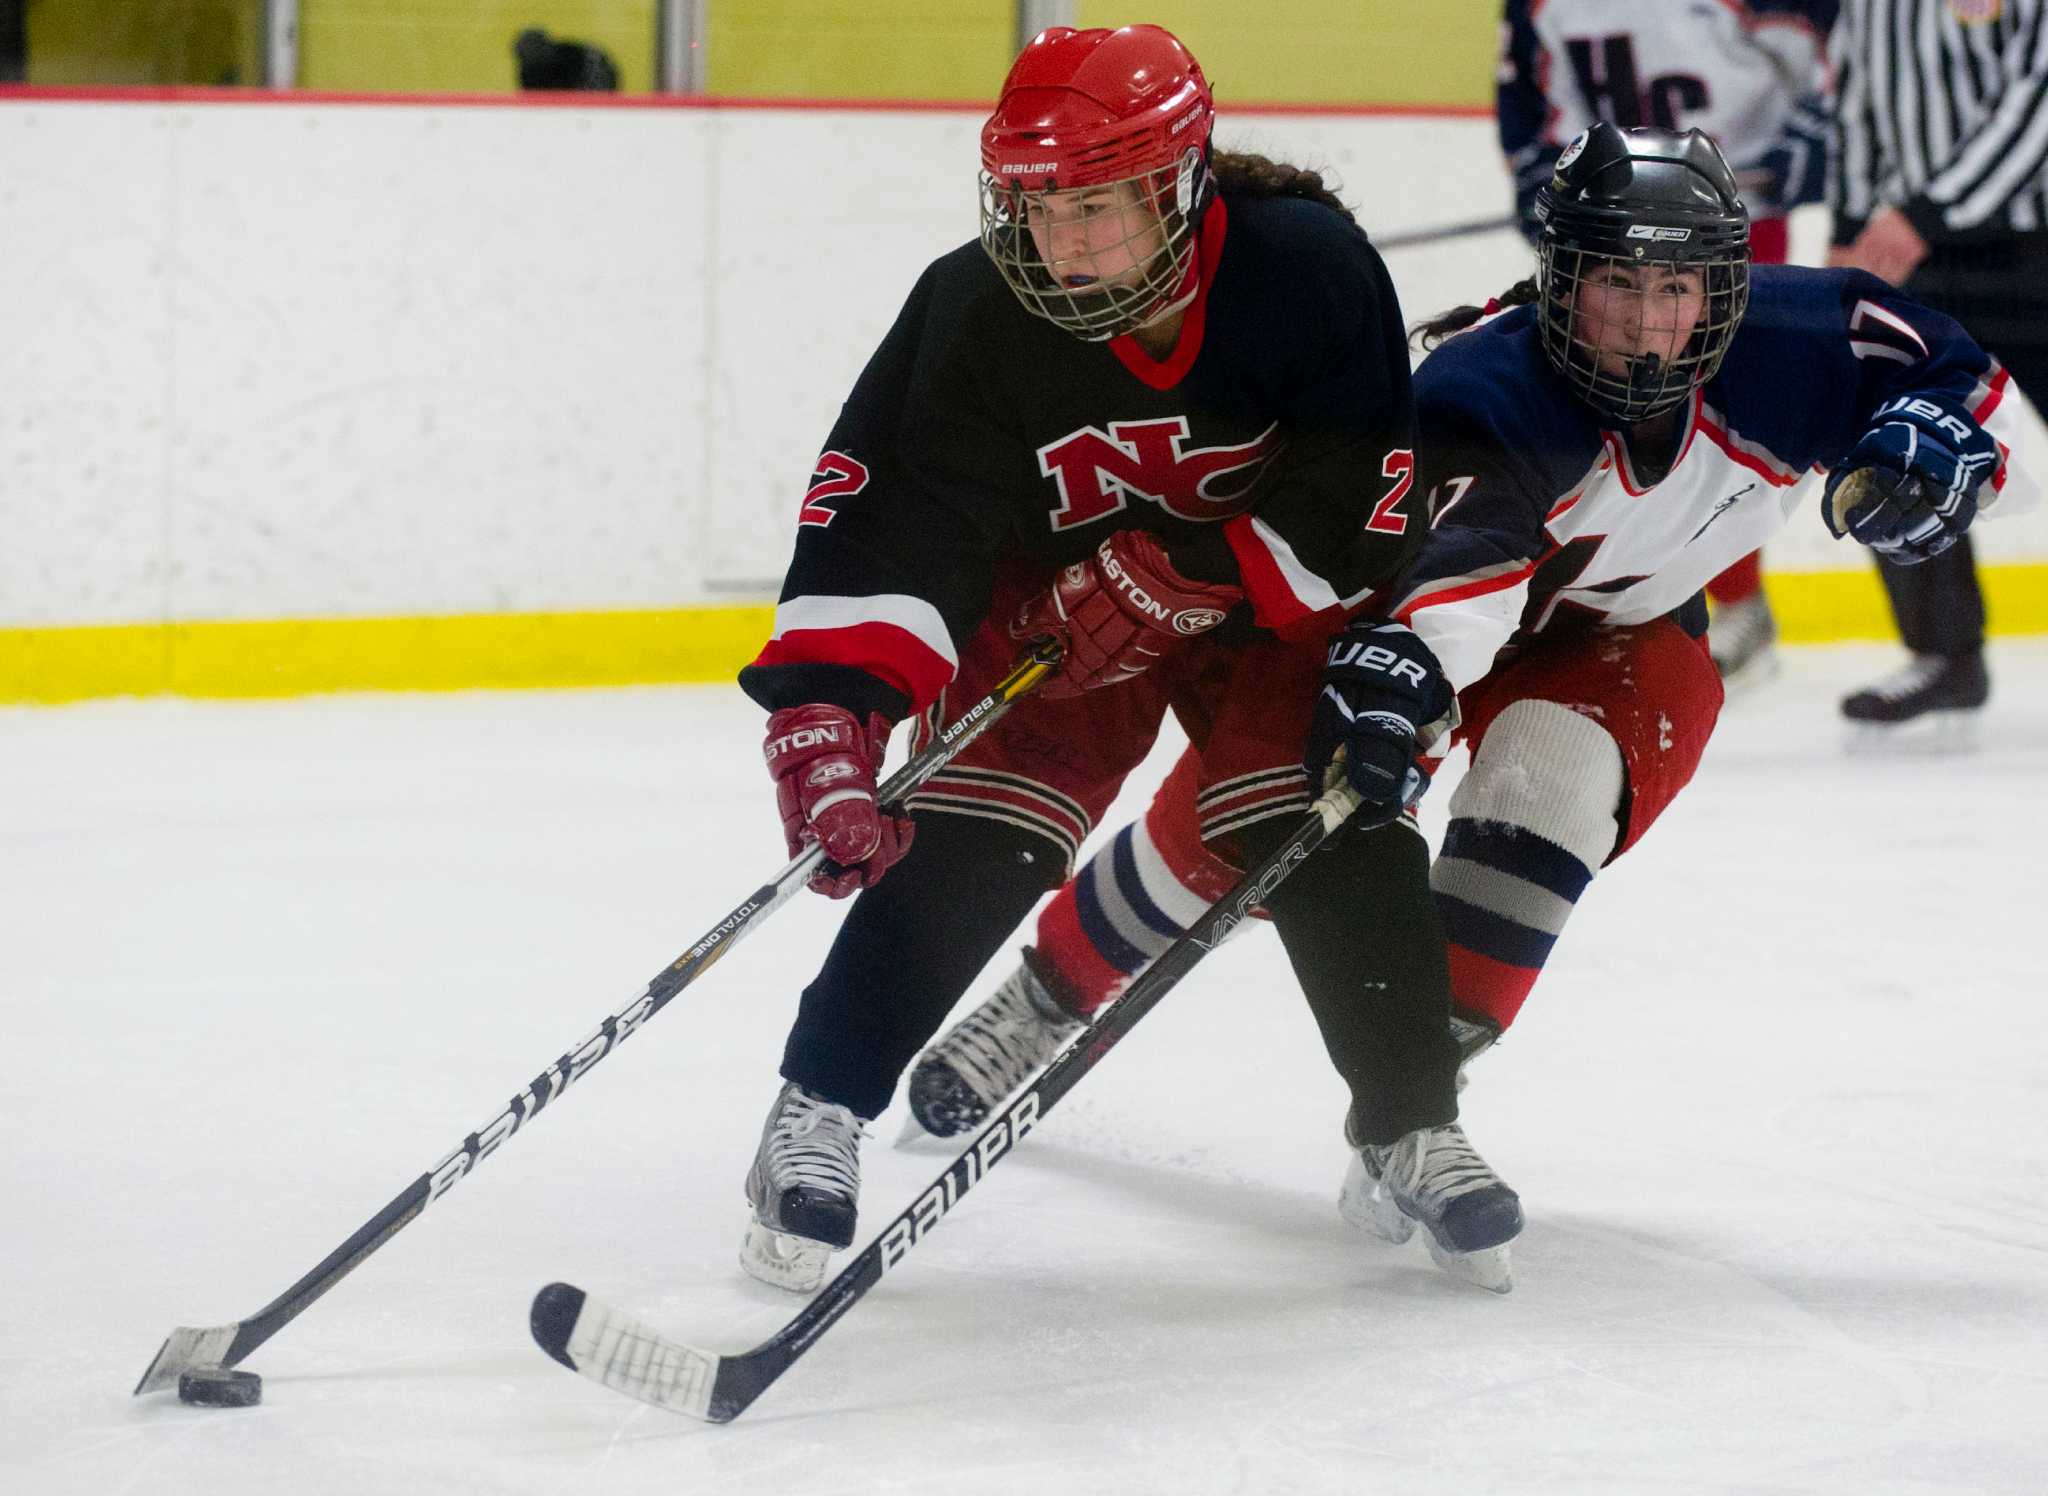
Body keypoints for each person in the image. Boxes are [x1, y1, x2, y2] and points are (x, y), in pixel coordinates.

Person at [908, 122, 2035, 1290]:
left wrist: (1958, 453)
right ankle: (1044, 993)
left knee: (1551, 782)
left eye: (1673, 288)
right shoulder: (1482, 388)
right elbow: (1451, 590)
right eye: (1611, 283)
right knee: (1263, 819)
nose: (1647, 325)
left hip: (1621, 634)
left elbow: (1983, 400)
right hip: (1426, 615)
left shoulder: (1803, 338)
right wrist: (1399, 696)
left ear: (1723, 288)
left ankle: (1412, 1110)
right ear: (1558, 276)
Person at [733, 24, 1499, 1296]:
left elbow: (1362, 497)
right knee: (986, 824)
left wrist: (1195, 572)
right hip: (1057, 615)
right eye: (1036, 208)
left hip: (1261, 606)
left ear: (1173, 183)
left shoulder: (1306, 269)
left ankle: (1410, 1119)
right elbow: (895, 514)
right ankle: (815, 1109)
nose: (1063, 241)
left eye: (1095, 206)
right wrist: (831, 707)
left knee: (1319, 809)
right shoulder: (971, 307)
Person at [1499, 0, 1838, 688]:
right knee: (1611, 408)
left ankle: (1734, 600)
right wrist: (1538, 170)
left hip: (1730, 225)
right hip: (1608, 233)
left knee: (1724, 411)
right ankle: (1642, 598)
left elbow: (1842, 63)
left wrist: (1813, 136)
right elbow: (1528, 98)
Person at [1825, 0, 2048, 740]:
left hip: (2032, 242)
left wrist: (1923, 214)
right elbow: (1856, 103)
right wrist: (1849, 230)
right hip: (1919, 259)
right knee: (1893, 439)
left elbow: (2038, 97)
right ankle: (1945, 655)